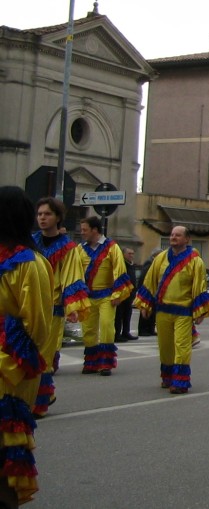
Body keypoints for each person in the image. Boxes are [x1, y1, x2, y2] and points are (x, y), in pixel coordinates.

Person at [0, 187, 54, 506]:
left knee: (5, 448)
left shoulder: (30, 263)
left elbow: (37, 327)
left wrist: (12, 364)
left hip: (11, 364)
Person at [134, 225, 209, 393]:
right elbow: (150, 281)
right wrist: (145, 305)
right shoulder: (160, 258)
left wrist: (200, 311)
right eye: (172, 235)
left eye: (177, 235)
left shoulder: (195, 261)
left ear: (187, 239)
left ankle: (180, 382)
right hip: (162, 310)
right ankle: (168, 377)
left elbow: (199, 286)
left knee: (182, 346)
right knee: (165, 346)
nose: (173, 237)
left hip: (183, 311)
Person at [32, 197, 89, 417]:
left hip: (51, 308)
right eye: (39, 214)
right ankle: (37, 395)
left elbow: (72, 277)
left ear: (57, 217)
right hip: (29, 307)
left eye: (47, 214)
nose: (42, 218)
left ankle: (40, 401)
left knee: (44, 357)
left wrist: (72, 306)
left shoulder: (68, 247)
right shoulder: (30, 241)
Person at [78, 215, 133, 375]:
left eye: (85, 230)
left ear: (95, 230)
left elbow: (119, 270)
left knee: (107, 326)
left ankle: (105, 362)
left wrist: (117, 293)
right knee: (88, 329)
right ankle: (91, 361)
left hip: (106, 296)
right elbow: (75, 272)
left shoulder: (111, 247)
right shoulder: (80, 249)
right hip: (88, 296)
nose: (82, 233)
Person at [114, 247, 139, 342]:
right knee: (119, 315)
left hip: (130, 295)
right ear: (123, 254)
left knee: (127, 314)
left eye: (132, 253)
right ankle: (117, 334)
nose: (131, 256)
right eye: (129, 254)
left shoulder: (131, 265)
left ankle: (126, 332)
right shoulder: (121, 264)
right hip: (122, 294)